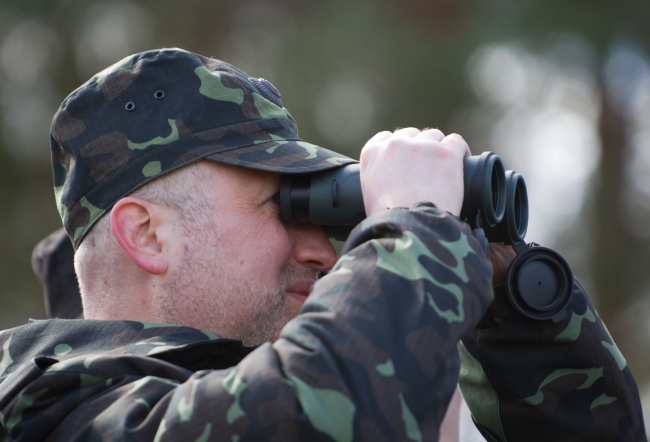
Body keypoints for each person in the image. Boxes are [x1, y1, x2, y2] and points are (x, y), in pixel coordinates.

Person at [0, 48, 644, 441]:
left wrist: (508, 314)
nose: (325, 251)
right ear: (147, 234)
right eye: (282, 207)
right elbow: (313, 419)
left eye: (326, 211)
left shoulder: (261, 381)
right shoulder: (54, 412)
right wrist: (413, 229)